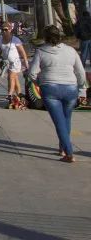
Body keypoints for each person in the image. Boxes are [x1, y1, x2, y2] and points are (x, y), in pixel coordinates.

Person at [28, 25, 87, 163]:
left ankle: (69, 153)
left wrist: (38, 81)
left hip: (50, 87)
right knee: (66, 118)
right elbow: (81, 72)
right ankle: (62, 147)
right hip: (70, 88)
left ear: (45, 37)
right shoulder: (71, 51)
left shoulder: (41, 51)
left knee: (59, 122)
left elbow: (32, 73)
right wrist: (81, 87)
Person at [0, 23, 29, 109]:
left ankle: (9, 94)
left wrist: (26, 62)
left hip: (16, 62)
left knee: (11, 77)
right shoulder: (0, 39)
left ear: (10, 30)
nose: (4, 31)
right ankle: (19, 94)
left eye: (6, 29)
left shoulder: (15, 40)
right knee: (15, 79)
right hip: (7, 62)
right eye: (2, 30)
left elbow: (22, 52)